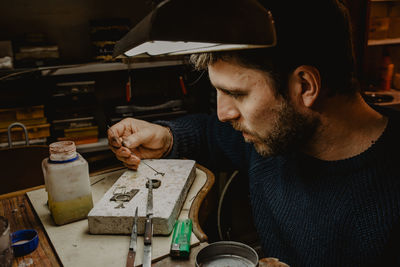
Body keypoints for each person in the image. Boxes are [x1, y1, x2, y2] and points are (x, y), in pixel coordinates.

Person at [108, 0, 400, 266]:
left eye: (237, 94)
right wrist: (166, 138)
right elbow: (211, 133)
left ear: (306, 87)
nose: (224, 113)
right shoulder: (274, 133)